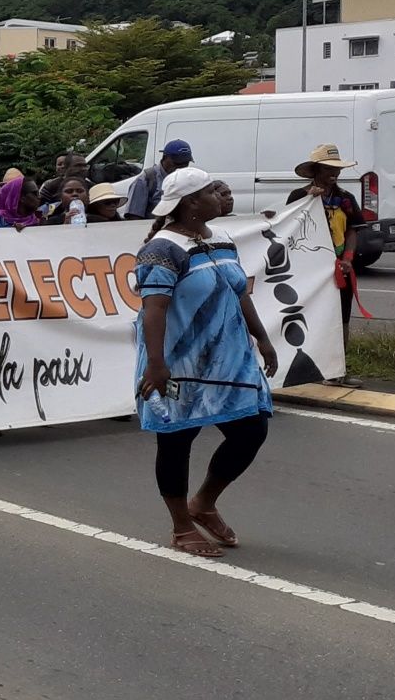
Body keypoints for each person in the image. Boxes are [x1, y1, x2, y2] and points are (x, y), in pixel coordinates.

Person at [132, 168, 278, 557]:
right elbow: (154, 309)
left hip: (228, 360)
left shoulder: (222, 239)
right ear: (192, 202)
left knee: (251, 431)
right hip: (178, 361)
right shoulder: (162, 249)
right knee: (177, 440)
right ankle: (182, 526)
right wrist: (157, 365)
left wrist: (262, 338)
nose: (222, 196)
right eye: (214, 191)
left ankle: (204, 503)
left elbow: (239, 291)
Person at [286, 143, 362, 332]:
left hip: (339, 266)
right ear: (315, 170)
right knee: (310, 314)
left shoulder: (346, 199)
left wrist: (348, 258)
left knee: (341, 316)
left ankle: (341, 357)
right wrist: (307, 200)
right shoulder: (298, 196)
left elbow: (353, 229)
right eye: (328, 169)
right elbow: (287, 226)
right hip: (308, 269)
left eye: (337, 169)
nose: (334, 174)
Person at [126, 139, 192, 220]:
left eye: (185, 164)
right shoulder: (145, 180)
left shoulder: (189, 179)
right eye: (177, 163)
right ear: (165, 158)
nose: (181, 167)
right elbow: (133, 217)